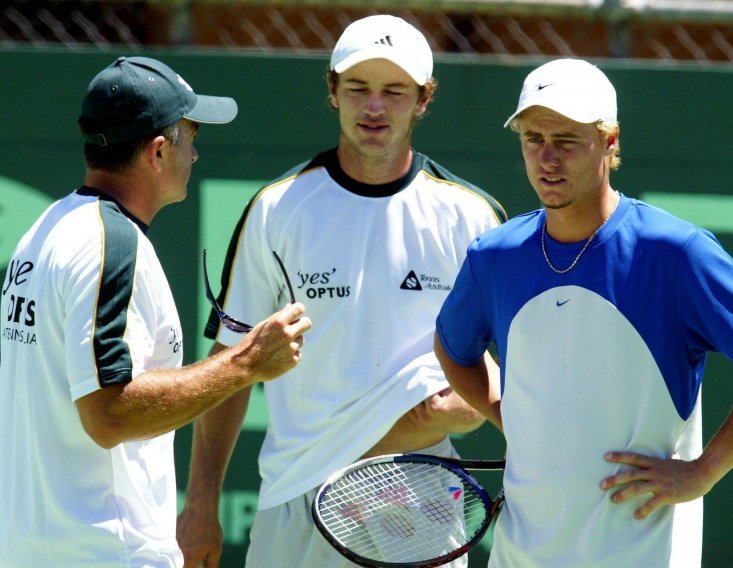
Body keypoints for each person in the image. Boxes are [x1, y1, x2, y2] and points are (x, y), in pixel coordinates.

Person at [433, 58, 733, 567]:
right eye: (533, 138)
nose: (547, 158)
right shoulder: (492, 256)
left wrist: (705, 470)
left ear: (609, 141)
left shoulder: (673, 250)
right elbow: (453, 347)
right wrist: (506, 413)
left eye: (566, 140)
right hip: (520, 555)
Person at [177, 14, 507, 568]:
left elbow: (514, 366)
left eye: (393, 92)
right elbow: (232, 366)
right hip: (295, 492)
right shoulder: (276, 209)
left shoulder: (472, 216)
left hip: (421, 490)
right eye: (357, 89)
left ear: (423, 99)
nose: (373, 107)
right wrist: (201, 504)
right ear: (332, 91)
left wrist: (467, 406)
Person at [0, 56, 311, 568]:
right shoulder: (111, 244)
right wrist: (247, 362)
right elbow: (109, 413)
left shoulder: (46, 230)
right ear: (159, 152)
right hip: (102, 553)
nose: (197, 153)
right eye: (191, 136)